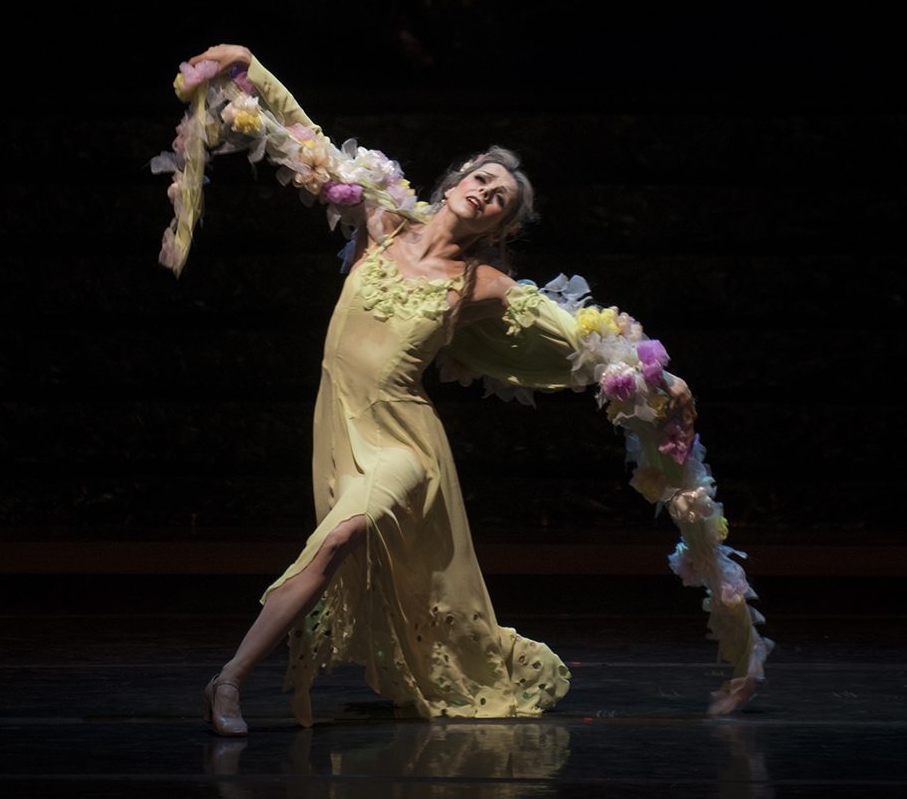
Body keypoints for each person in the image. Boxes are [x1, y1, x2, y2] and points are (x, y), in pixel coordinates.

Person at [183, 44, 682, 737]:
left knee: (341, 536)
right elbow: (306, 139)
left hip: (404, 442)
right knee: (334, 545)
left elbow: (579, 335)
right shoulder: (381, 216)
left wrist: (657, 375)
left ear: (498, 227)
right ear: (454, 184)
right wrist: (251, 68)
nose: (486, 192)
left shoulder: (482, 284)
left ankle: (231, 679)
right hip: (340, 427)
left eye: (500, 199)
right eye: (482, 179)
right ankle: (234, 678)